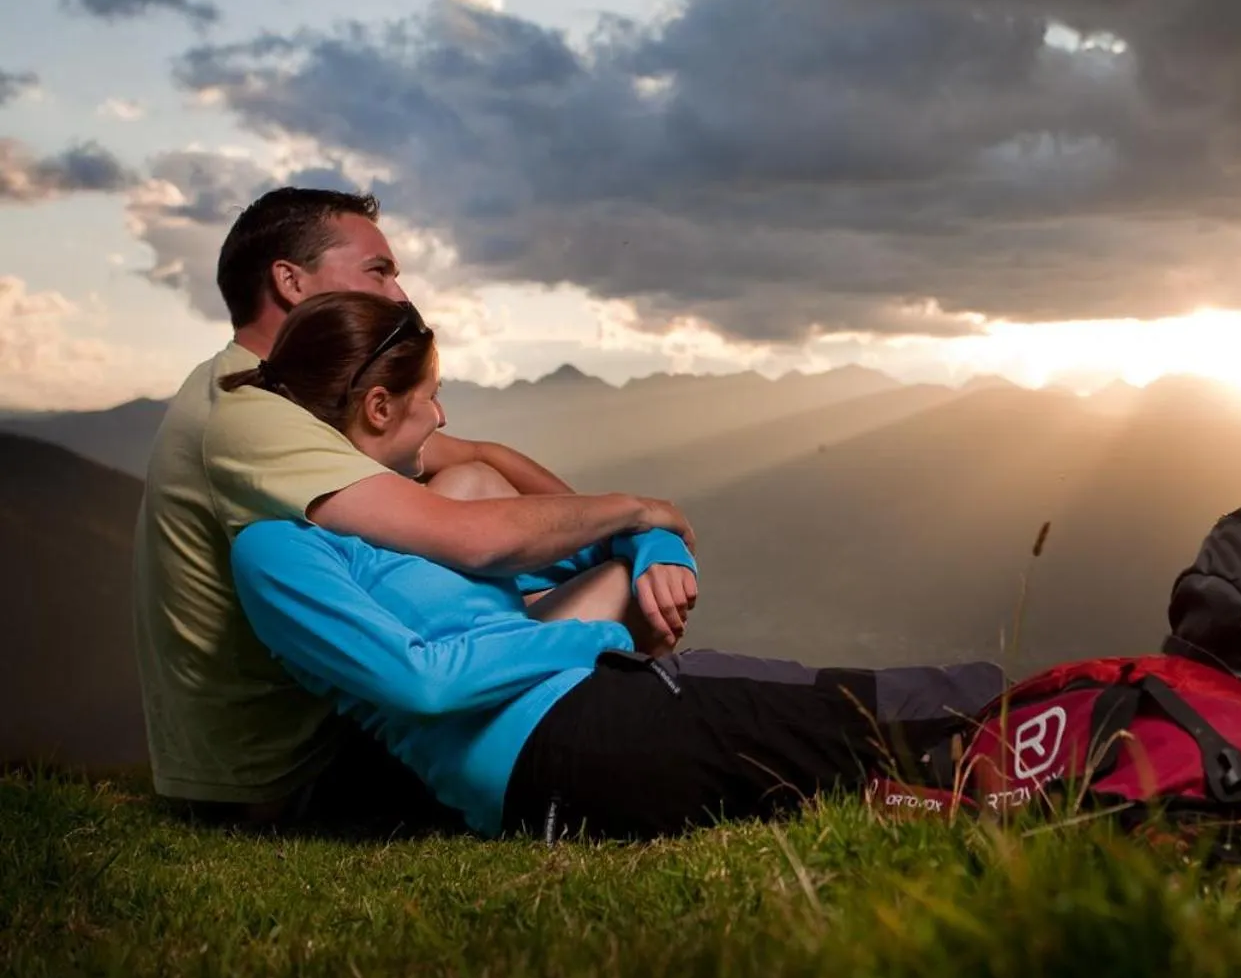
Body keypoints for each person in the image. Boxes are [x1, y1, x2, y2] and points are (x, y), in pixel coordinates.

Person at [226, 291, 1003, 839]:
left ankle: (997, 784)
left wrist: (655, 549)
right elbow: (423, 681)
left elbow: (604, 534)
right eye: (431, 396)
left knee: (807, 730)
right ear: (379, 409)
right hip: (550, 744)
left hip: (578, 721)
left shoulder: (426, 511)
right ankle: (1067, 718)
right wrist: (601, 641)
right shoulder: (278, 547)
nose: (444, 416)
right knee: (858, 712)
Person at [133, 186, 697, 828]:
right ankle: (593, 739)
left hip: (334, 725)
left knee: (481, 485)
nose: (399, 295)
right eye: (380, 270)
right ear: (290, 281)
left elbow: (478, 456)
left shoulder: (282, 393)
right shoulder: (248, 420)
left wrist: (631, 531)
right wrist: (636, 512)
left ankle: (595, 719)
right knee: (539, 552)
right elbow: (471, 539)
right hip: (287, 779)